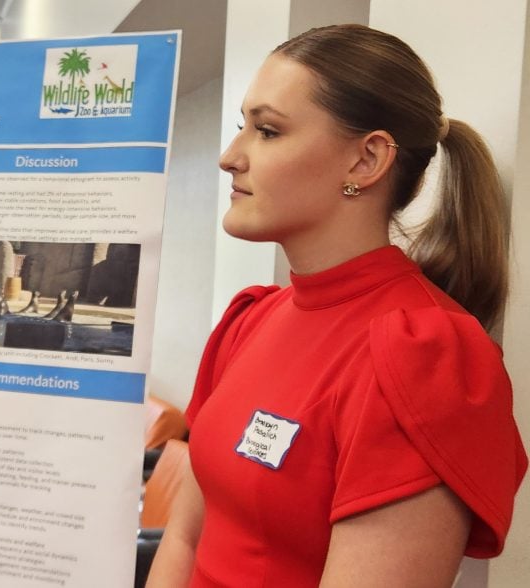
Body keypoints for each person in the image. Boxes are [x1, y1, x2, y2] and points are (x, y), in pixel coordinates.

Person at [147, 24, 527, 587]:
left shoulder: (422, 356)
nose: (230, 157)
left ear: (366, 160)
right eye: (241, 127)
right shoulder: (250, 321)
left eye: (267, 131)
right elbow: (184, 538)